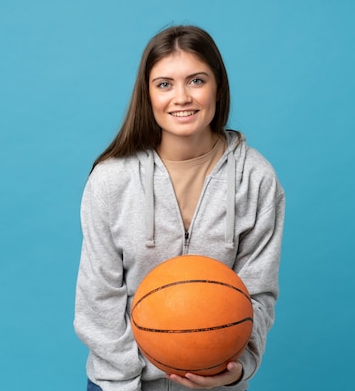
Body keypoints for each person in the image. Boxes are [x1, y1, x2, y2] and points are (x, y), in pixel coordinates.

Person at [74, 25, 285, 391]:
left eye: (197, 81)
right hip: (119, 386)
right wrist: (124, 382)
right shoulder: (110, 180)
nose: (182, 97)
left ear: (218, 86)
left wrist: (236, 372)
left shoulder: (256, 179)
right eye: (165, 84)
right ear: (148, 94)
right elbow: (99, 298)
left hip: (216, 384)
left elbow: (257, 293)